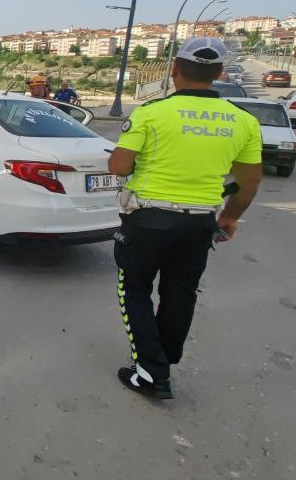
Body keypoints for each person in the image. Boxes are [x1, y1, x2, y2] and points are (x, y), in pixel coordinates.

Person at [106, 37, 263, 400]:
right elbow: (249, 182)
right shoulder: (244, 122)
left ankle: (150, 373)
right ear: (219, 73)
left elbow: (118, 166)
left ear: (174, 69)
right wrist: (230, 218)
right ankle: (163, 359)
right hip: (199, 224)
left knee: (134, 291)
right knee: (180, 293)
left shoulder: (151, 113)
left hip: (147, 220)